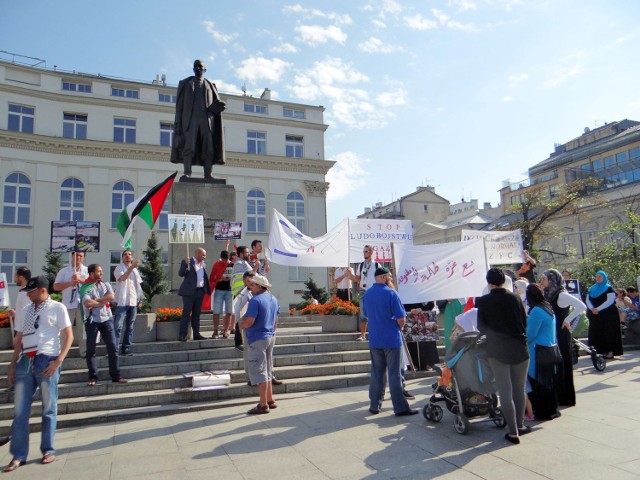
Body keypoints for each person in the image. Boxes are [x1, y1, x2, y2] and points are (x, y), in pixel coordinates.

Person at [4, 276, 73, 472]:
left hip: (46, 358)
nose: (29, 294)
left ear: (43, 290)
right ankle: (18, 455)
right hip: (26, 360)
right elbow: (19, 338)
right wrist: (12, 363)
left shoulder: (57, 308)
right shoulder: (25, 311)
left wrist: (58, 361)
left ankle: (48, 449)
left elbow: (69, 335)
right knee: (20, 411)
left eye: (32, 291)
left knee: (48, 408)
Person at [476, 267, 530, 445]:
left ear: (489, 282)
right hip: (519, 347)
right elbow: (524, 321)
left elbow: (481, 327)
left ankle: (513, 431)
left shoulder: (483, 301)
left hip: (497, 349)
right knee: (519, 388)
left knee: (505, 391)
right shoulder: (515, 298)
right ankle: (521, 425)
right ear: (503, 281)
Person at [362, 267, 417, 417]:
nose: (391, 279)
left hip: (375, 339)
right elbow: (401, 318)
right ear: (384, 277)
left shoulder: (367, 295)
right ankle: (400, 408)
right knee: (394, 375)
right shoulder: (391, 293)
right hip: (391, 339)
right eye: (390, 277)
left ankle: (374, 405)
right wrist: (396, 327)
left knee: (377, 374)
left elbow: (366, 315)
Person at [170, 59, 226, 179]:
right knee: (189, 146)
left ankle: (208, 174)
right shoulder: (186, 84)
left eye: (200, 66)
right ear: (193, 69)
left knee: (208, 147)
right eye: (196, 66)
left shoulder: (210, 85)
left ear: (205, 69)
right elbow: (179, 106)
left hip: (207, 120)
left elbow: (216, 102)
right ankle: (187, 173)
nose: (198, 68)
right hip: (190, 120)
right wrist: (178, 124)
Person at [540, 268, 586, 407]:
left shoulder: (561, 294)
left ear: (552, 280)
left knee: (564, 362)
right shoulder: (550, 293)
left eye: (544, 279)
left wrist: (567, 319)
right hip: (554, 331)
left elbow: (581, 306)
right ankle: (559, 394)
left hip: (561, 331)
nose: (542, 281)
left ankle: (567, 397)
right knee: (557, 363)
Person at [238, 275, 279, 414]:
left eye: (253, 285)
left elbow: (249, 321)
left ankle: (263, 405)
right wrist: (271, 332)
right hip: (269, 336)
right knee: (267, 370)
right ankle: (270, 400)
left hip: (257, 338)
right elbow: (275, 321)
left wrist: (240, 324)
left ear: (261, 286)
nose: (250, 287)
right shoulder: (273, 298)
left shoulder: (255, 300)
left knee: (260, 371)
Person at [82, 264, 128, 386]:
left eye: (101, 271)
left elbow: (111, 297)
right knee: (91, 349)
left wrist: (96, 300)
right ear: (92, 273)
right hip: (92, 320)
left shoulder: (105, 284)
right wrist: (103, 300)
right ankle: (93, 377)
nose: (101, 273)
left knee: (113, 347)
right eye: (99, 271)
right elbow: (87, 303)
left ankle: (116, 376)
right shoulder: (85, 287)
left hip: (107, 318)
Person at [525, 284, 560, 421]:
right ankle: (552, 410)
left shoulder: (536, 311)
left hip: (537, 351)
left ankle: (542, 411)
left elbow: (530, 334)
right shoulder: (548, 307)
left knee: (538, 382)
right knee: (548, 383)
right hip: (550, 349)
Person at [53, 251, 89, 357]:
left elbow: (92, 284)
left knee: (82, 329)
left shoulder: (87, 271)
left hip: (82, 303)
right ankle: (61, 353)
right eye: (76, 255)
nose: (78, 257)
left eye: (81, 256)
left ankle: (84, 352)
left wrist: (80, 280)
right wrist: (69, 283)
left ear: (83, 258)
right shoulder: (64, 271)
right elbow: (56, 287)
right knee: (64, 328)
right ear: (72, 256)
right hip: (67, 304)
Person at [586, 271, 623, 360]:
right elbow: (587, 300)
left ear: (604, 278)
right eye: (596, 277)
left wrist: (598, 309)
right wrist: (592, 309)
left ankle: (610, 352)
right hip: (595, 314)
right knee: (596, 331)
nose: (598, 278)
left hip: (608, 314)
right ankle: (598, 351)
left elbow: (610, 301)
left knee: (609, 332)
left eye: (600, 277)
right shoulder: (592, 288)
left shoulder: (608, 288)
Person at [113, 250, 143, 356]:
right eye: (125, 255)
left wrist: (140, 299)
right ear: (122, 257)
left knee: (130, 326)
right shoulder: (119, 268)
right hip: (122, 301)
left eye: (129, 255)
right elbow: (123, 278)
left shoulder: (135, 271)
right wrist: (132, 267)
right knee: (118, 326)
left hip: (133, 301)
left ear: (132, 257)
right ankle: (114, 349)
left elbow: (138, 286)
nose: (127, 256)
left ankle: (126, 348)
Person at [348, 245, 380, 341]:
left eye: (366, 251)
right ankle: (363, 335)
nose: (364, 253)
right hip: (363, 291)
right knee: (363, 313)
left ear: (370, 253)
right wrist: (349, 275)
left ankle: (376, 334)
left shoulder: (377, 265)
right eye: (363, 251)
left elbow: (384, 277)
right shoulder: (361, 265)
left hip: (373, 291)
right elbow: (357, 278)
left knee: (374, 313)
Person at [178, 247, 210, 341]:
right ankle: (183, 335)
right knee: (186, 313)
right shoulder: (189, 262)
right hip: (189, 292)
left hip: (200, 292)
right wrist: (185, 264)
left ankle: (196, 334)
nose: (205, 256)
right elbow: (181, 274)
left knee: (196, 314)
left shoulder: (202, 264)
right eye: (203, 255)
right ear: (197, 254)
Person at [209, 250, 233, 338]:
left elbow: (236, 277)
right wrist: (221, 279)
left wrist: (230, 279)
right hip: (219, 290)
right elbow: (211, 278)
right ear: (221, 258)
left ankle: (226, 331)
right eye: (223, 259)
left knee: (229, 311)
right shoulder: (216, 265)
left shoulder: (232, 265)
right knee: (216, 311)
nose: (225, 261)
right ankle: (215, 331)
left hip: (230, 290)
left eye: (226, 260)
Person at [9, 267, 31, 347]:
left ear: (21, 278)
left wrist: (19, 335)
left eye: (15, 277)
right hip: (20, 329)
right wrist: (15, 314)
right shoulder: (23, 291)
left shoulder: (26, 292)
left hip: (22, 331)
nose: (14, 279)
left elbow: (27, 313)